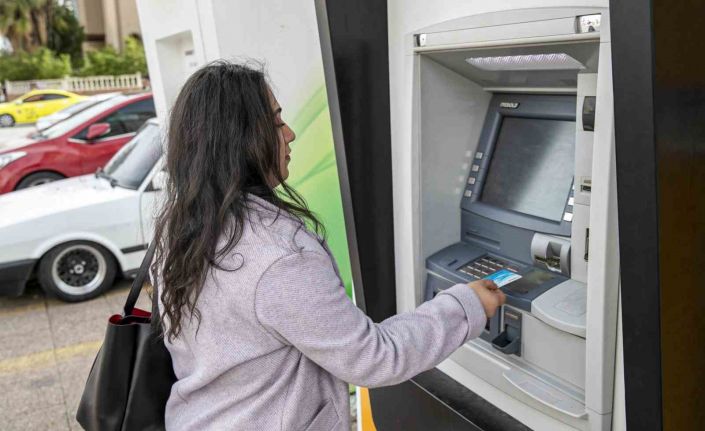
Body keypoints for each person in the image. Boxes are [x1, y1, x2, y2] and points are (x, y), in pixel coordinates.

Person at [152, 60, 506, 431]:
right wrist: (465, 305)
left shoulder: (183, 227)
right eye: (276, 122)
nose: (290, 134)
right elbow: (375, 356)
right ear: (240, 139)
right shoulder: (278, 258)